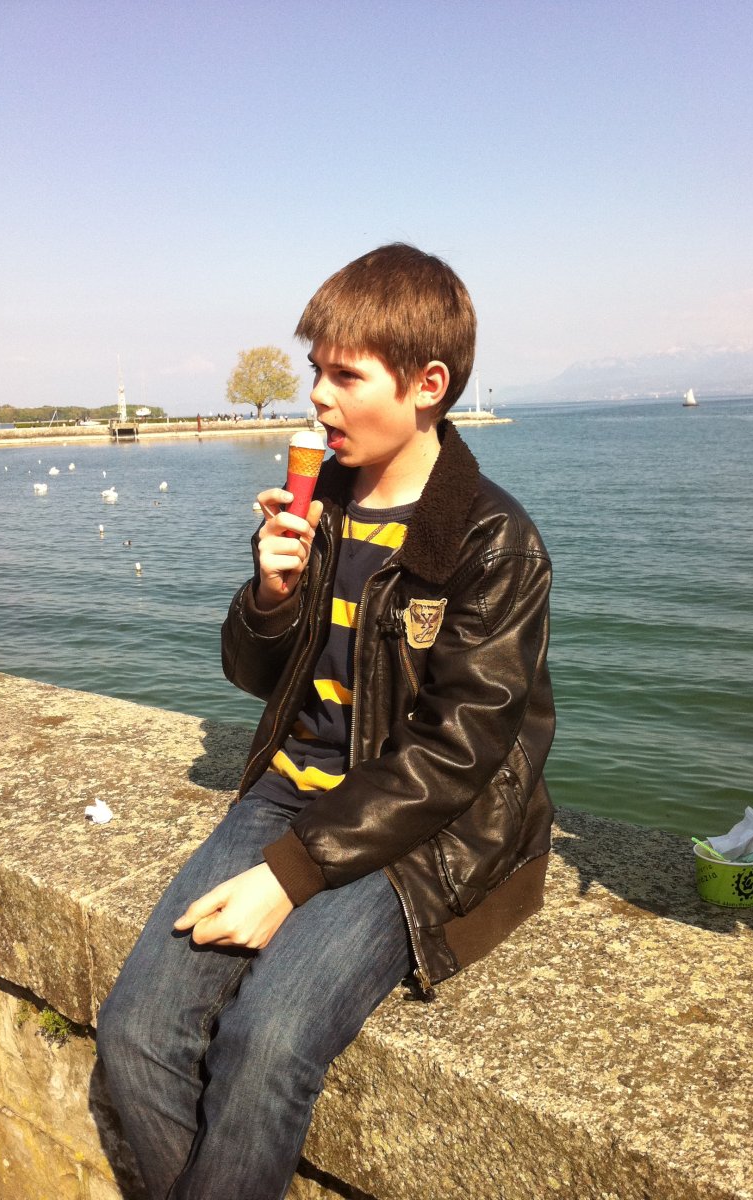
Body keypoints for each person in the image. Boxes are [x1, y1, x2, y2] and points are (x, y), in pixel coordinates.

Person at [96, 244, 556, 1200]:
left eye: (346, 376)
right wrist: (270, 593)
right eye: (317, 370)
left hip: (417, 833)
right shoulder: (323, 510)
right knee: (135, 1033)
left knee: (267, 1043)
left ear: (428, 386)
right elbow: (251, 674)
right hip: (288, 793)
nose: (317, 396)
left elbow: (458, 751)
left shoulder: (493, 542)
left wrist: (290, 875)